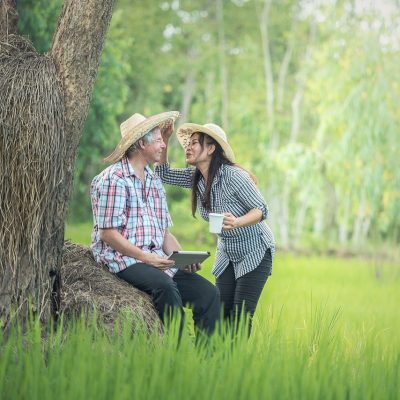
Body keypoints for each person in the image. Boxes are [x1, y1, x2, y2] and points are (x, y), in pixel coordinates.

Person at [90, 112, 220, 337]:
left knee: (208, 294)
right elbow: (108, 234)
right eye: (159, 140)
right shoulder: (114, 179)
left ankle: (205, 361)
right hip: (124, 259)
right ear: (142, 143)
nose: (163, 145)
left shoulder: (152, 180)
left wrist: (182, 257)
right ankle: (177, 353)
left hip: (155, 259)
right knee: (166, 288)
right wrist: (146, 257)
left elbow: (164, 233)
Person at [155, 122, 275, 335]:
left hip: (254, 251)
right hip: (227, 252)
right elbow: (163, 175)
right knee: (218, 314)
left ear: (211, 149)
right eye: (187, 143)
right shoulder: (197, 179)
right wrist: (164, 139)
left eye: (194, 143)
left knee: (239, 319)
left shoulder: (233, 176)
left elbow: (261, 209)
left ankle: (235, 365)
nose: (188, 148)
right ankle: (217, 364)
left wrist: (237, 222)